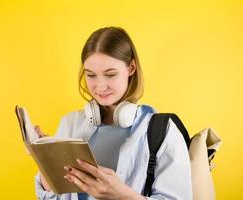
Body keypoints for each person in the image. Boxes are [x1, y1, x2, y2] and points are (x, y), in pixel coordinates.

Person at [34, 27, 192, 200]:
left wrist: (122, 196)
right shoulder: (70, 123)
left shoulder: (162, 131)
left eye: (110, 74)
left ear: (131, 68)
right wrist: (44, 158)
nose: (100, 86)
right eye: (91, 75)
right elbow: (54, 197)